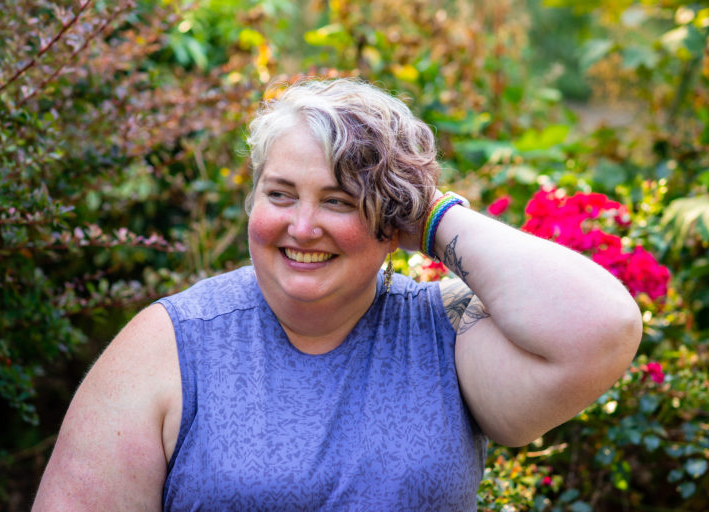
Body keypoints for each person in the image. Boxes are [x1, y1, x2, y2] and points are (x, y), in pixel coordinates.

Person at [33, 78, 642, 511]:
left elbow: (602, 329)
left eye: (338, 201)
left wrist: (431, 215)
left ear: (391, 223)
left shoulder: (445, 336)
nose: (301, 227)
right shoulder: (169, 345)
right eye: (279, 194)